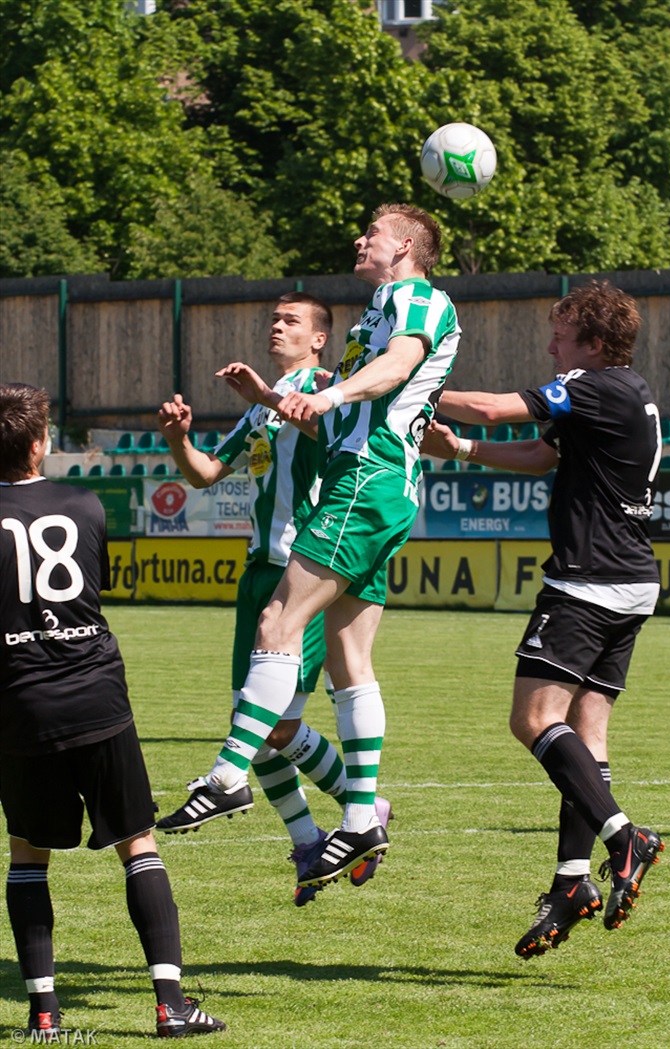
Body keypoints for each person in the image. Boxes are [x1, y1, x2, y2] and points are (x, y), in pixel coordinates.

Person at [166, 203, 461, 892]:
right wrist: (280, 398)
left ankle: (228, 775)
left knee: (278, 624)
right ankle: (359, 816)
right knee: (349, 660)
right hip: (377, 483)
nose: (362, 238)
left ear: (408, 245)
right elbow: (369, 384)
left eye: (376, 231)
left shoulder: (412, 295)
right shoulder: (380, 309)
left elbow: (399, 363)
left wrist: (328, 400)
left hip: (367, 480)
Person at [423, 281, 664, 957]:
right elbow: (542, 454)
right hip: (629, 579)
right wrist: (462, 452)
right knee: (586, 733)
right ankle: (570, 882)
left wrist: (406, 383)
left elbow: (496, 408)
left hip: (587, 582)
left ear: (592, 340)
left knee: (531, 719)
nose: (551, 346)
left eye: (560, 335)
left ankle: (626, 838)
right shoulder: (625, 389)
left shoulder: (591, 383)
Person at [0, 382, 225, 1039]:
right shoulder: (85, 503)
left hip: (21, 705)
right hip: (97, 693)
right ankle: (170, 1005)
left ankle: (43, 1013)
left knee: (26, 854)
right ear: (40, 443)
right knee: (138, 844)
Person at [155, 293, 391, 903]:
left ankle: (360, 810)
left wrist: (271, 398)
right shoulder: (265, 408)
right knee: (255, 720)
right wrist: (179, 439)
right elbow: (206, 474)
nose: (275, 328)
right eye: (273, 320)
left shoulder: (330, 389)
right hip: (259, 570)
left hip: (307, 570)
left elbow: (341, 432)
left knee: (273, 729)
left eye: (290, 322)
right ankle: (316, 836)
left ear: (319, 339)